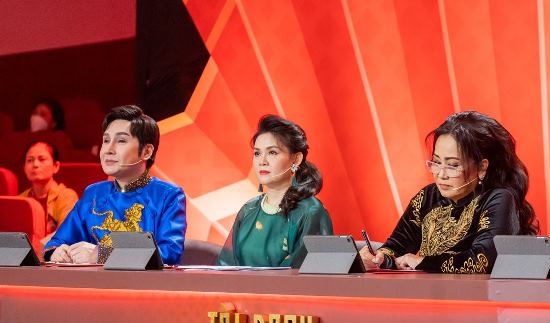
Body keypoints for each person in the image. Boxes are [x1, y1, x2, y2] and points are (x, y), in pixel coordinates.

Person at [359, 110, 538, 273]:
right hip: (428, 293)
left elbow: (483, 259)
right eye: (436, 162)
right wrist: (380, 258)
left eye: (453, 165)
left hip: (478, 295)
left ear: (481, 167)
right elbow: (396, 247)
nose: (441, 175)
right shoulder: (427, 196)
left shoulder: (498, 198)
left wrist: (423, 262)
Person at [45, 105, 186, 265]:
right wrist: (57, 252)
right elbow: (57, 241)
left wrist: (102, 254)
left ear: (146, 151)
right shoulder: (94, 194)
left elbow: (169, 253)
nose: (108, 150)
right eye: (106, 140)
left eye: (121, 141)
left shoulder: (168, 195)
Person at [217, 115, 333, 267]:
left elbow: (307, 272)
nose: (262, 161)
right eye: (257, 153)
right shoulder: (248, 210)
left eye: (272, 152)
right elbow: (226, 266)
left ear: (296, 159)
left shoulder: (310, 212)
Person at [18, 140, 78, 244]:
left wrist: (36, 248)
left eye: (42, 159)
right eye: (30, 160)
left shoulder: (67, 196)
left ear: (56, 166)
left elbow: (66, 233)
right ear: (24, 168)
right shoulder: (20, 200)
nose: (35, 164)